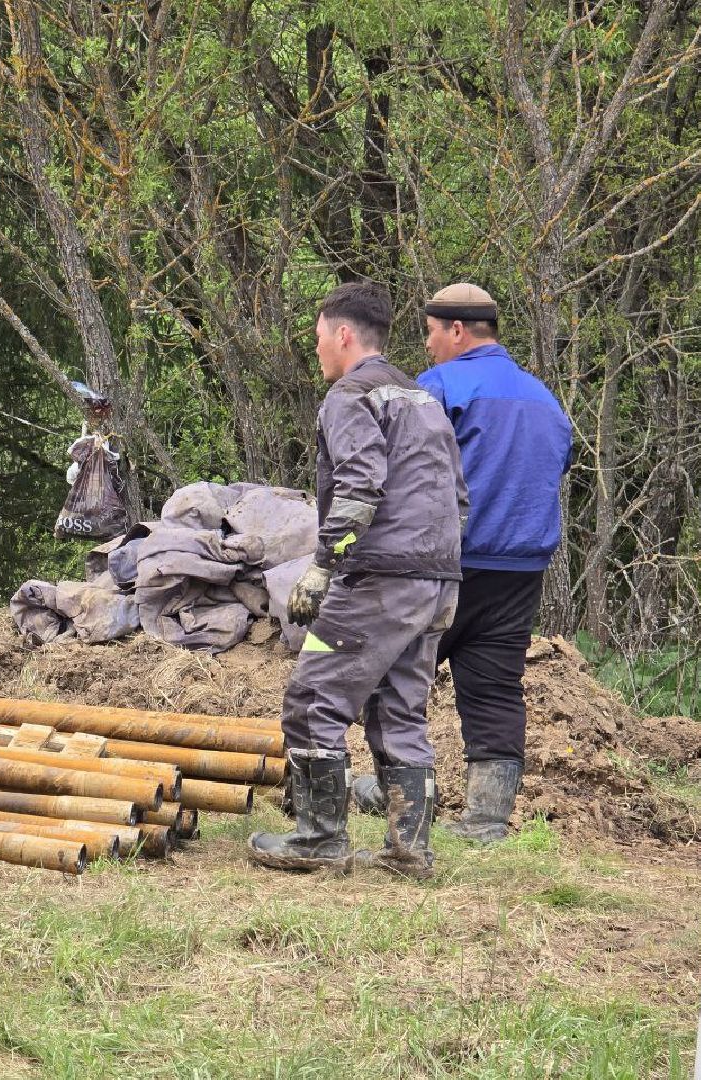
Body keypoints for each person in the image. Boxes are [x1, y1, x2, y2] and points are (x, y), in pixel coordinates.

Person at [248, 280, 466, 880]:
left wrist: (322, 567)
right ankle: (409, 852)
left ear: (343, 335)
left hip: (379, 579)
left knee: (313, 698)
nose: (316, 350)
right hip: (438, 581)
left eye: (318, 338)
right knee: (400, 710)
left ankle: (319, 839)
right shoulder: (419, 396)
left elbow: (361, 481)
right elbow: (458, 494)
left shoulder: (351, 396)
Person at [351, 283, 573, 842]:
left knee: (399, 676)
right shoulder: (543, 397)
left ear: (456, 330)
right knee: (495, 685)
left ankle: (398, 791)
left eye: (430, 332)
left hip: (447, 562)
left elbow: (399, 466)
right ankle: (486, 818)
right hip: (521, 568)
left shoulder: (443, 385)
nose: (426, 346)